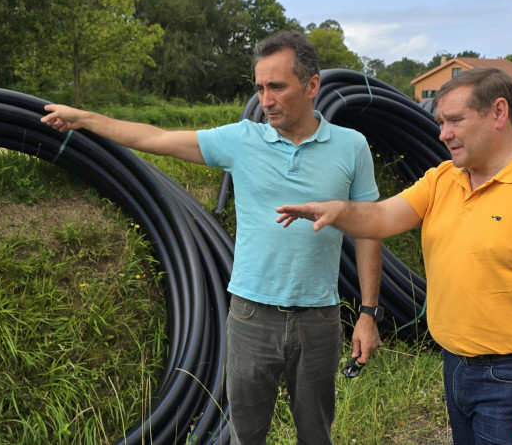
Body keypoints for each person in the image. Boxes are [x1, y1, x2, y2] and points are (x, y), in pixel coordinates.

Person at [41, 30, 383, 444]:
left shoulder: (351, 146)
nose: (265, 100)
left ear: (312, 86)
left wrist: (367, 313)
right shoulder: (242, 140)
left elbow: (370, 229)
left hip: (320, 318)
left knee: (316, 434)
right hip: (251, 317)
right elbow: (156, 138)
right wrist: (85, 118)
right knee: (245, 435)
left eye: (277, 86)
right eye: (259, 88)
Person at [275, 67, 512, 445]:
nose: (443, 134)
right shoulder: (445, 178)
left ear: (499, 113)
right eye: (440, 122)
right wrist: (337, 210)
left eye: (455, 121)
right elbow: (381, 217)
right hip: (455, 364)